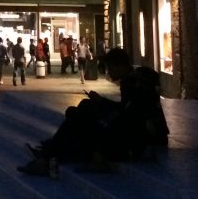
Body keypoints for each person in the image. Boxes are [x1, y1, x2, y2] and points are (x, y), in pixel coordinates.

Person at [19, 47, 170, 175]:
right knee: (81, 111)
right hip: (135, 135)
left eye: (110, 68)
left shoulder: (132, 83)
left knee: (79, 118)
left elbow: (130, 117)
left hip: (132, 142)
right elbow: (127, 110)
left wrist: (102, 110)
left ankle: (49, 154)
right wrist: (101, 102)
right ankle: (50, 153)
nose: (108, 72)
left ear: (119, 66)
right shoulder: (134, 79)